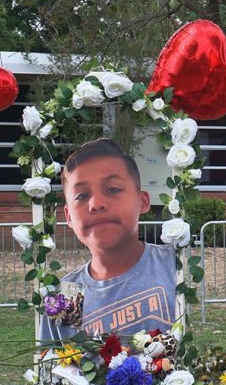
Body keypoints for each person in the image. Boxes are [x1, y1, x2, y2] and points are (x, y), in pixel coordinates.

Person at [39, 138, 178, 343]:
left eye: (112, 189)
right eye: (82, 195)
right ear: (68, 217)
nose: (96, 204)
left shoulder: (176, 266)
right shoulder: (65, 297)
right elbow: (59, 368)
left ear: (143, 202)